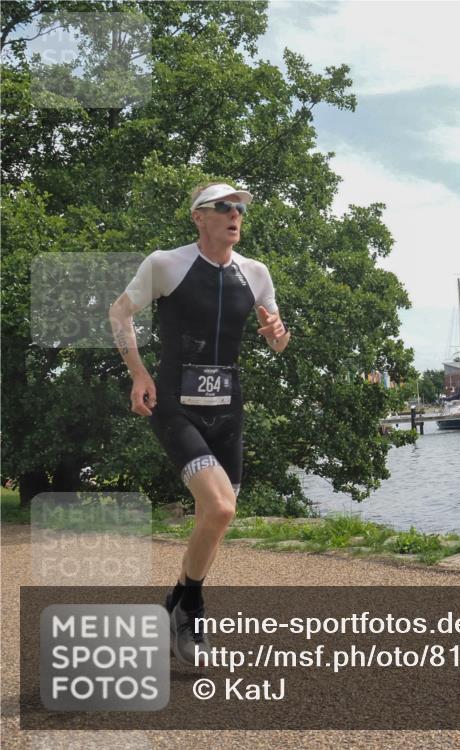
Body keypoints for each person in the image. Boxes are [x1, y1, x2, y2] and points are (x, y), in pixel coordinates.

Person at [108, 182, 290, 665]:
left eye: (240, 209)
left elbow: (277, 342)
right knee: (221, 507)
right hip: (175, 405)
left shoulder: (255, 273)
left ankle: (178, 599)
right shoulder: (166, 264)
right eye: (224, 208)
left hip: (228, 410)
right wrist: (138, 373)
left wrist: (276, 332)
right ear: (199, 217)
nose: (236, 215)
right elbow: (119, 312)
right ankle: (192, 607)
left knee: (217, 515)